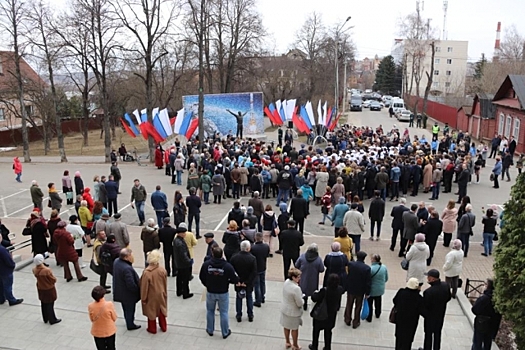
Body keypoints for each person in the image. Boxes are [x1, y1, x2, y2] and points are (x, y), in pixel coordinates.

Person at [199, 246, 239, 339]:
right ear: (222, 254)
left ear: (212, 254)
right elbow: (235, 279)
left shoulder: (206, 264)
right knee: (224, 312)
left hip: (211, 291)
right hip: (223, 292)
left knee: (210, 311)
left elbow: (201, 276)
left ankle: (210, 330)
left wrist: (207, 284)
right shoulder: (227, 266)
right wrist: (228, 281)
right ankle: (225, 332)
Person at [308, 274, 344, 350]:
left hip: (321, 314)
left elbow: (315, 298)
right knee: (328, 331)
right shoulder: (339, 289)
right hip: (331, 315)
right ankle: (327, 347)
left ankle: (315, 346)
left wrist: (314, 293)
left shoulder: (324, 291)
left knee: (316, 330)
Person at [421, 269, 451, 350]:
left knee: (428, 334)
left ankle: (427, 348)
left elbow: (424, 306)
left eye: (428, 277)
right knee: (437, 333)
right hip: (440, 315)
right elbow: (448, 297)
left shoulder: (428, 292)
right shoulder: (445, 286)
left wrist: (425, 314)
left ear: (432, 278)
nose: (427, 278)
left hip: (430, 317)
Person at [140, 249, 168, 334]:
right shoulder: (162, 270)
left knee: (151, 312)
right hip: (161, 292)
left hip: (151, 295)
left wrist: (143, 298)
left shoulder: (147, 272)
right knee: (161, 310)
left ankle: (152, 328)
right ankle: (163, 326)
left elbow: (144, 287)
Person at [113, 248, 141, 330]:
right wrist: (137, 291)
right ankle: (130, 324)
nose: (132, 257)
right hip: (128, 294)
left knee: (125, 308)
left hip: (120, 291)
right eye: (130, 255)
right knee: (130, 310)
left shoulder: (117, 261)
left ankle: (128, 321)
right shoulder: (127, 268)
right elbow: (131, 284)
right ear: (125, 257)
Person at [230, 240, 257, 322]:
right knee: (249, 297)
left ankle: (239, 315)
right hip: (248, 283)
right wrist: (247, 282)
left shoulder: (234, 257)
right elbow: (254, 272)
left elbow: (231, 270)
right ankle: (250, 315)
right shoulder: (252, 258)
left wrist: (236, 281)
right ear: (248, 248)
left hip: (238, 282)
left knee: (239, 298)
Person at [393, 278, 424, 350]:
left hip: (400, 319)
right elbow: (422, 310)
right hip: (411, 322)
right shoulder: (418, 297)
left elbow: (395, 301)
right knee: (408, 340)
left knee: (399, 338)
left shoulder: (401, 292)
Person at [471, 278, 502, 350]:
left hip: (481, 323)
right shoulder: (496, 299)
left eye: (485, 284)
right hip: (492, 325)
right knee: (487, 343)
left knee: (477, 343)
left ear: (487, 286)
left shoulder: (483, 298)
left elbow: (474, 309)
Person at [344, 250, 371, 329]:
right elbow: (368, 282)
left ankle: (347, 319)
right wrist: (367, 292)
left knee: (349, 304)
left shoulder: (351, 264)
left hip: (351, 288)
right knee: (358, 306)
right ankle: (356, 322)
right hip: (360, 290)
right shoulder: (367, 268)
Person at [32, 254, 60, 324]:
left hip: (40, 288)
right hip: (49, 289)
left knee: (43, 303)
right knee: (50, 304)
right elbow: (53, 280)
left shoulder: (34, 270)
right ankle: (52, 319)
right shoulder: (47, 271)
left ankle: (45, 318)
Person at [295, 243, 324, 311]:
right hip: (313, 279)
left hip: (303, 278)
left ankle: (304, 301)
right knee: (313, 291)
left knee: (303, 290)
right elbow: (321, 269)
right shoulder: (318, 259)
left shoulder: (302, 256)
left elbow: (296, 265)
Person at [280, 267, 304, 350]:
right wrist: (303, 299)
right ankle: (295, 345)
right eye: (298, 277)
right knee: (294, 329)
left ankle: (287, 342)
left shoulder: (286, 282)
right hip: (293, 312)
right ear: (293, 277)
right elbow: (299, 303)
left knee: (286, 326)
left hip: (284, 309)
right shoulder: (296, 288)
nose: (299, 278)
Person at [88, 285, 118, 350]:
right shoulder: (109, 304)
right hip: (109, 330)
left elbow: (92, 319)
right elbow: (114, 317)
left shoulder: (90, 306)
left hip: (97, 332)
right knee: (111, 347)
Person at [173, 224, 193, 299]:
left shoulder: (176, 240)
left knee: (179, 277)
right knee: (185, 279)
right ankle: (186, 293)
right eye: (184, 233)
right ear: (180, 233)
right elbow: (183, 255)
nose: (185, 234)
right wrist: (189, 261)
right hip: (184, 265)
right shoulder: (180, 243)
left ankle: (179, 291)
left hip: (178, 263)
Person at [367, 254, 388, 323]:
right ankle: (378, 314)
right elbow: (386, 278)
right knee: (378, 302)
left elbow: (368, 280)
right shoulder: (384, 267)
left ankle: (369, 317)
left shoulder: (371, 269)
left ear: (374, 260)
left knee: (370, 303)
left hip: (372, 289)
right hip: (380, 288)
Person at [251, 232, 270, 307]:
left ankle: (258, 300)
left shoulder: (253, 248)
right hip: (263, 266)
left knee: (257, 284)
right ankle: (262, 297)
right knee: (262, 282)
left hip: (256, 268)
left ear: (256, 238)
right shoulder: (266, 247)